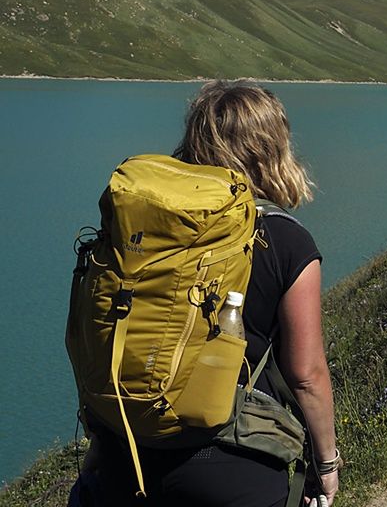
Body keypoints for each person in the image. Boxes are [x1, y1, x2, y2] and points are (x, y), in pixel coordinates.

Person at [87, 81, 339, 507]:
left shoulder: (146, 232)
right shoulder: (286, 240)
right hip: (234, 468)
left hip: (124, 455)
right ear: (273, 149)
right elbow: (306, 375)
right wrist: (326, 465)